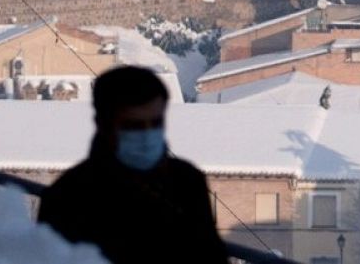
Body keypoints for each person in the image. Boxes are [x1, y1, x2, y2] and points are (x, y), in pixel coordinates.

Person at [38, 66, 228, 263]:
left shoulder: (187, 180)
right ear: (104, 125)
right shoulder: (67, 197)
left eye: (155, 123)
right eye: (133, 126)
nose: (147, 135)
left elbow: (212, 256)